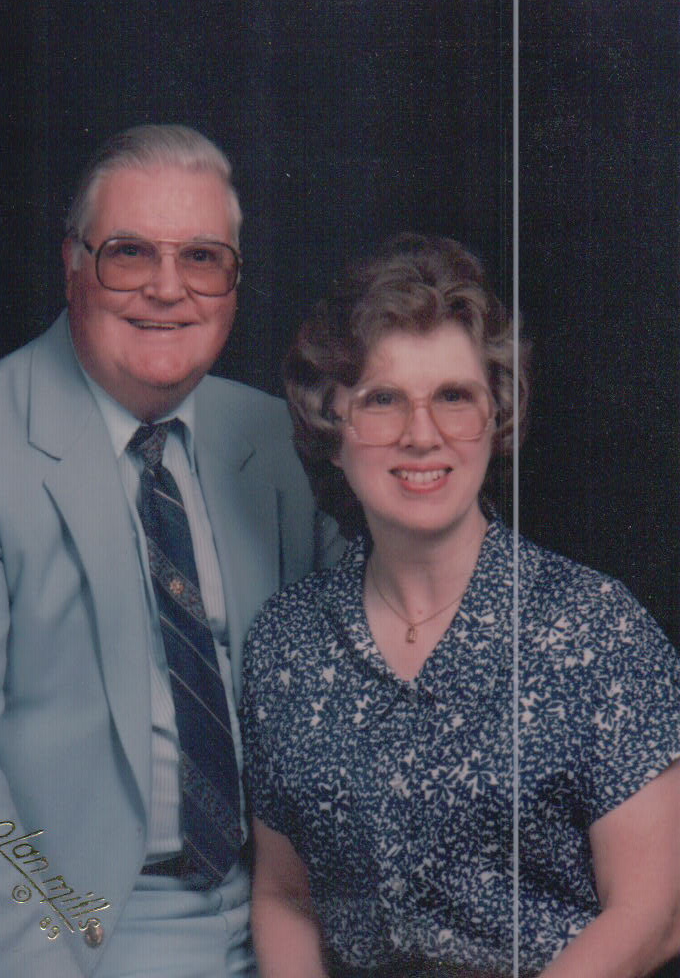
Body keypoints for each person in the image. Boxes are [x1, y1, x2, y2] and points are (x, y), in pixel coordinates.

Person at [0, 124, 339, 978]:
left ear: (235, 282)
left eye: (202, 258)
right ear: (72, 264)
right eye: (129, 253)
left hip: (287, 919)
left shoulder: (280, 441)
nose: (168, 289)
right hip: (82, 927)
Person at [240, 235, 680, 977]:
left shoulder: (597, 629)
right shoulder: (285, 644)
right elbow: (285, 896)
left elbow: (653, 910)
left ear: (496, 417)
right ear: (331, 431)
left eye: (453, 397)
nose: (423, 435)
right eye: (382, 400)